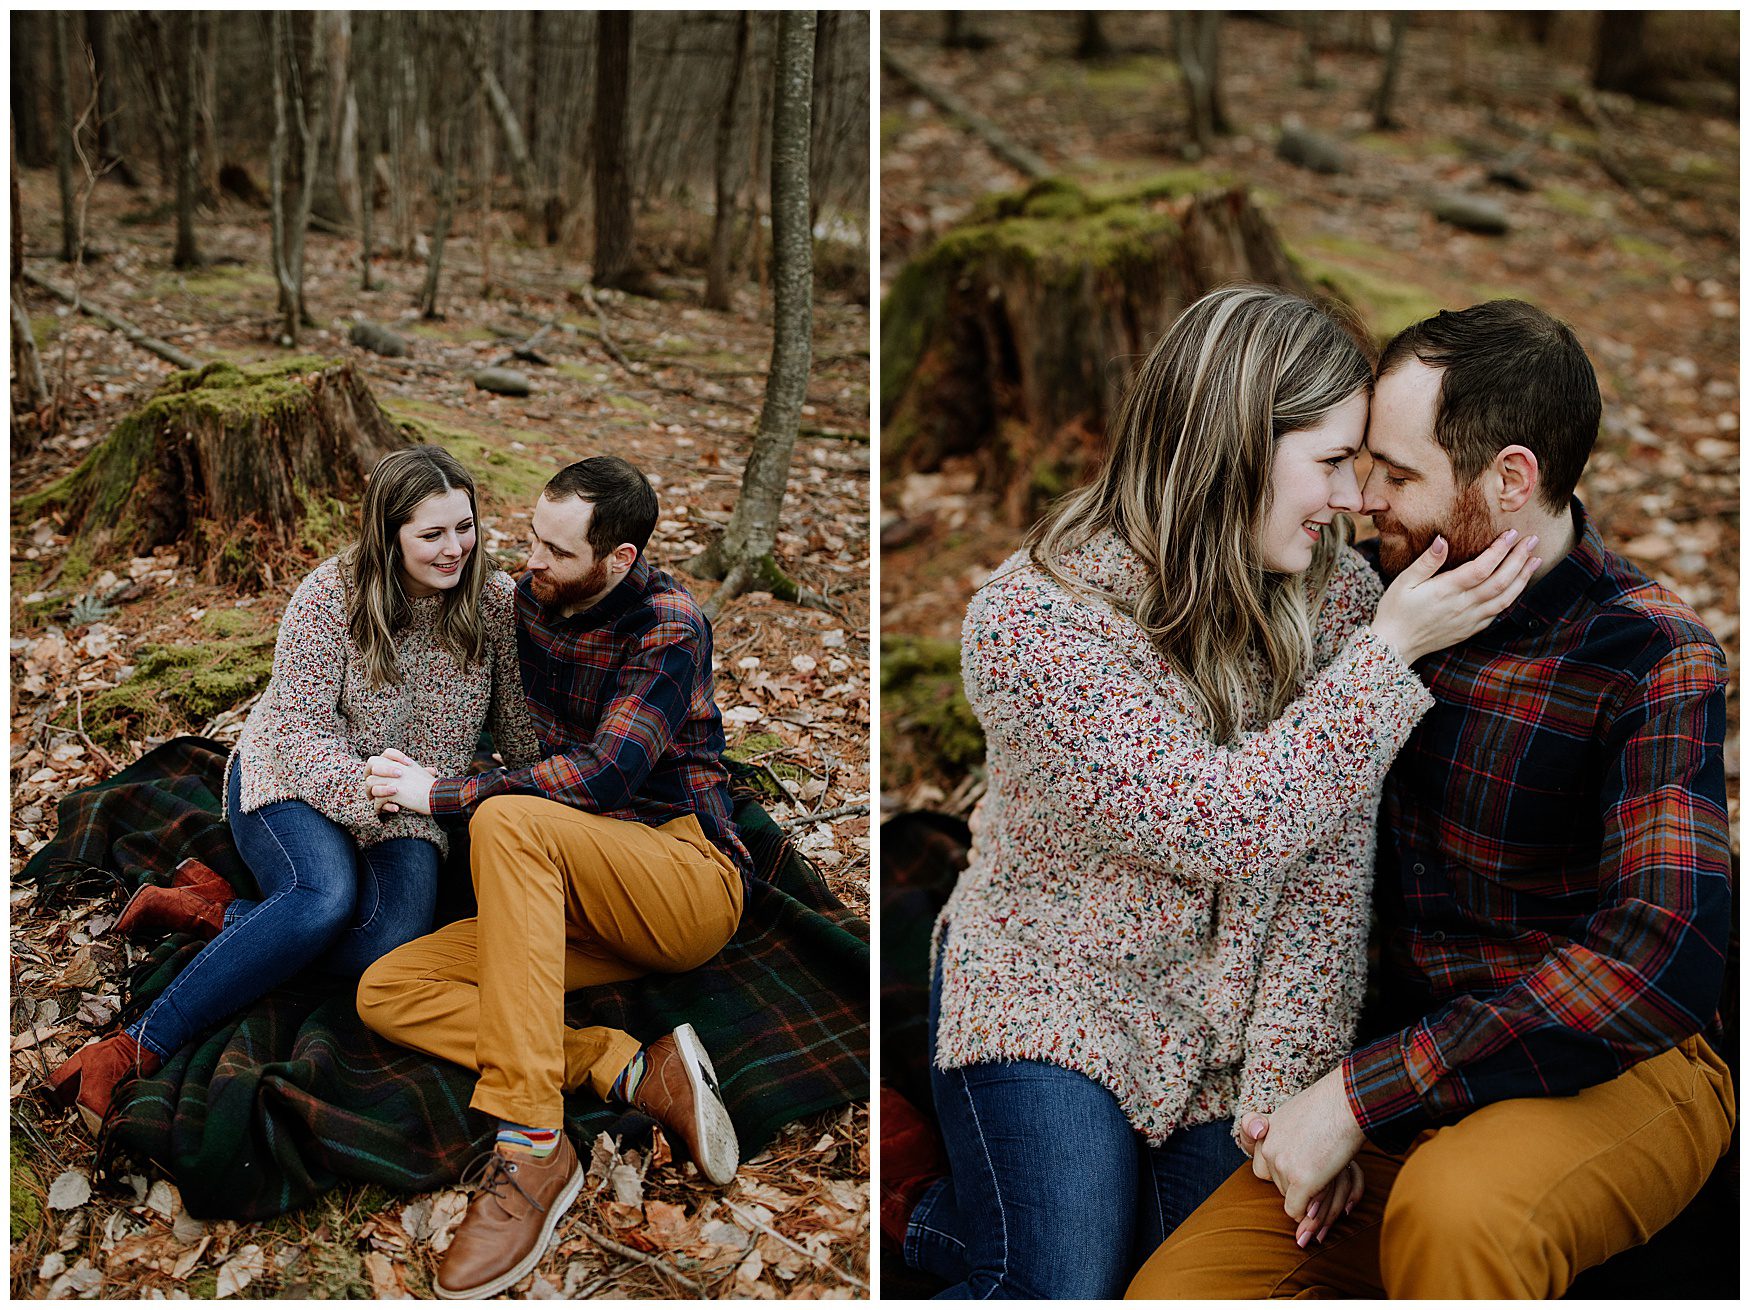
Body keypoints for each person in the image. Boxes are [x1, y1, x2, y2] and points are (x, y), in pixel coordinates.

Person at [882, 286, 1543, 1299]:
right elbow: (1216, 820)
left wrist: (1288, 1102)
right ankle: (919, 1207)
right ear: (1236, 447)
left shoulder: (1339, 599)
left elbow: (1324, 888)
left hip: (1226, 1048)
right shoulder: (1034, 619)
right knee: (1065, 1286)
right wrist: (1388, 658)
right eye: (1331, 461)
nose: (1350, 500)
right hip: (1053, 989)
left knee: (1182, 1281)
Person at [1126, 300, 1735, 1299]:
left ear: (1510, 479)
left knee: (1456, 1213)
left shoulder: (1648, 653)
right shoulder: (1370, 601)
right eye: (1364, 463)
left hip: (1615, 1065)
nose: (1365, 500)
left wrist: (1356, 1097)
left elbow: (1659, 956)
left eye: (1400, 475)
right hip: (1394, 1075)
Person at [355, 455, 751, 1301]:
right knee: (386, 990)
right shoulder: (529, 601)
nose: (530, 562)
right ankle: (628, 1069)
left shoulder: (668, 624)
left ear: (618, 558)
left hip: (679, 876)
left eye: (557, 552)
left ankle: (533, 1142)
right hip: (570, 887)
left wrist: (440, 794)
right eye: (532, 536)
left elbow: (605, 775)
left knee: (502, 817)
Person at [48, 446, 538, 1123]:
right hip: (292, 779)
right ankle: (135, 1044)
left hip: (410, 805)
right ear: (389, 534)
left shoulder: (495, 601)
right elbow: (297, 730)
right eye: (432, 533)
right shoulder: (329, 595)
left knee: (388, 945)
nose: (454, 548)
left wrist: (570, 794)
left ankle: (220, 914)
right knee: (321, 900)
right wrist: (372, 791)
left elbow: (518, 726)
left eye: (465, 526)